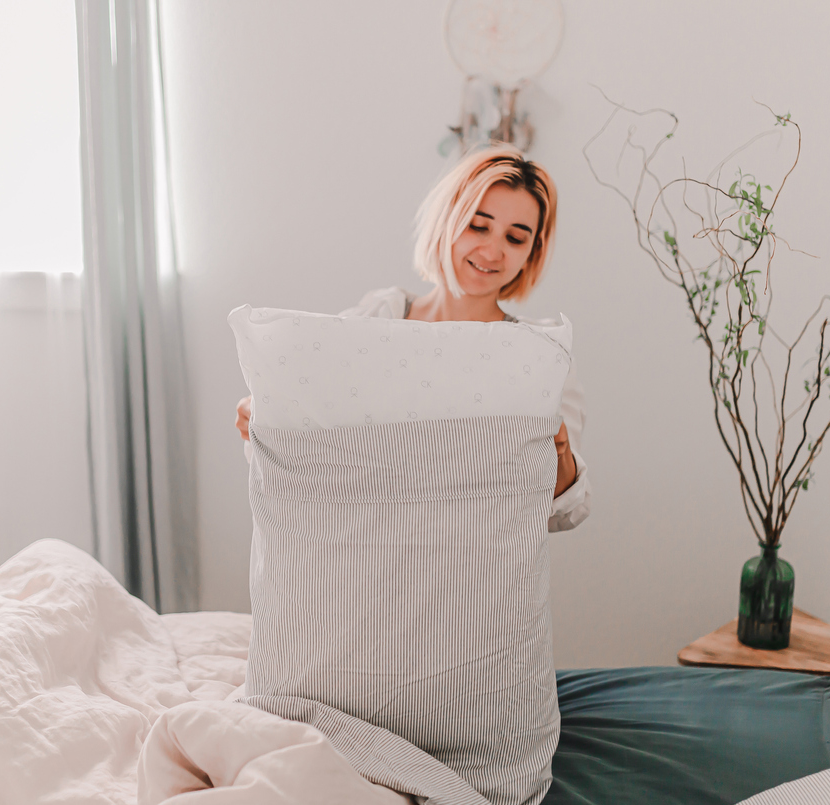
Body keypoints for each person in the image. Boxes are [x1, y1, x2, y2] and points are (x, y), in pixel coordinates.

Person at [235, 143, 589, 532]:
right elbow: (311, 441)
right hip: (366, 557)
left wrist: (560, 455)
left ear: (531, 252)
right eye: (479, 225)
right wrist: (265, 414)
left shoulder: (539, 355)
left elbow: (563, 515)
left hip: (480, 575)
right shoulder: (380, 317)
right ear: (448, 220)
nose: (493, 251)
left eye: (515, 238)